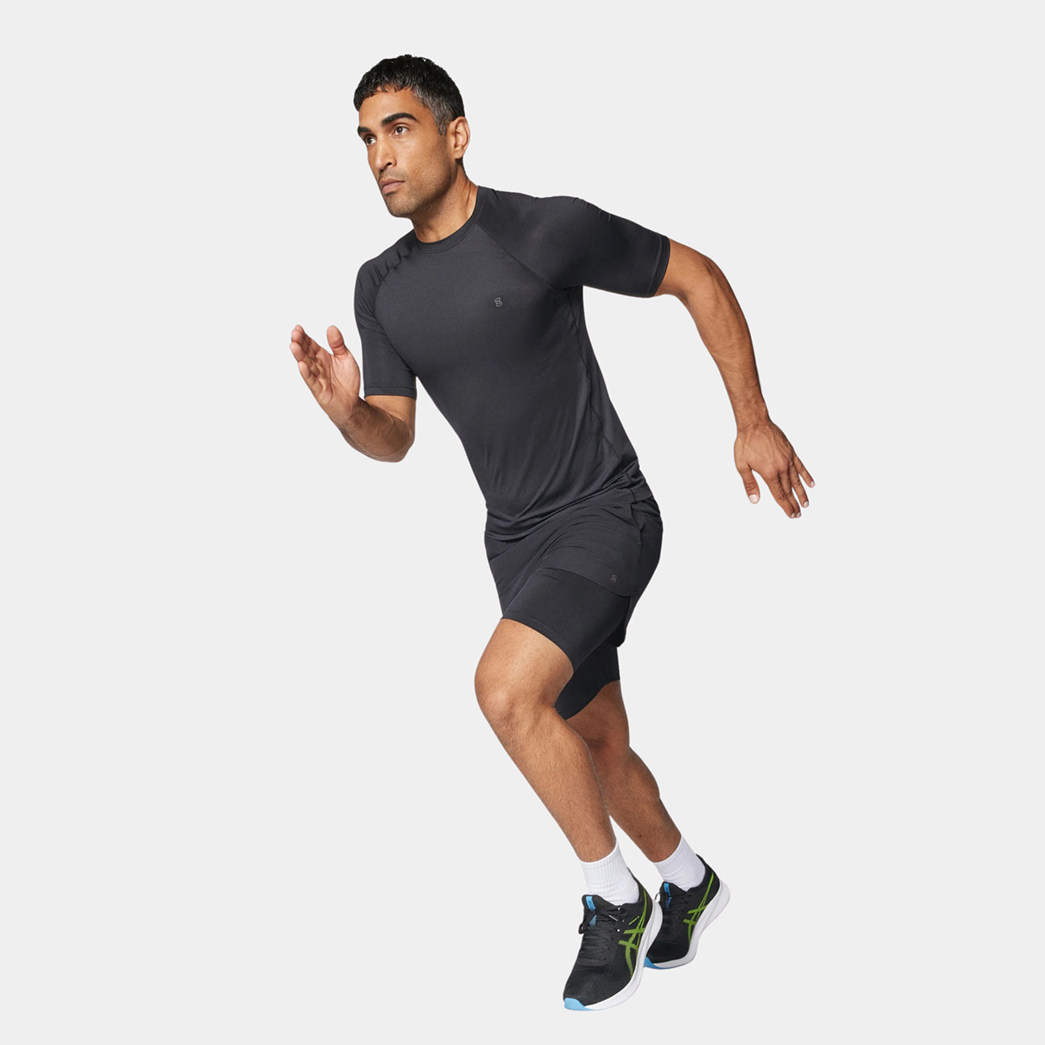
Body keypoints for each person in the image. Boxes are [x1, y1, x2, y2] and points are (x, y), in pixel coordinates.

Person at [289, 55, 813, 1011]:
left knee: (503, 690)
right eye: (365, 138)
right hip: (517, 543)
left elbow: (697, 276)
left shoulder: (542, 229)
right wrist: (346, 413)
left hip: (607, 512)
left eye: (399, 128)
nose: (379, 155)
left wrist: (752, 418)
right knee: (594, 745)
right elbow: (394, 438)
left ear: (455, 134)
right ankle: (687, 879)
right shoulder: (380, 286)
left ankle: (612, 898)